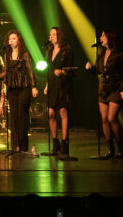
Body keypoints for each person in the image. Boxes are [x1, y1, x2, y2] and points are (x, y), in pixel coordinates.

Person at [0, 30, 38, 152]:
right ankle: (15, 145)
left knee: (22, 115)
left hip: (24, 87)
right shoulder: (7, 54)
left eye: (14, 38)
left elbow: (30, 71)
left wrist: (33, 86)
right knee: (14, 116)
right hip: (12, 88)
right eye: (9, 39)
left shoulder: (25, 54)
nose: (11, 41)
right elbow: (6, 70)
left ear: (19, 40)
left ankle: (23, 145)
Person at [86, 29, 123, 159]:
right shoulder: (101, 54)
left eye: (103, 36)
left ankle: (120, 148)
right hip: (103, 87)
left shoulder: (120, 55)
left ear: (110, 38)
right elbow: (98, 71)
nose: (100, 38)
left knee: (111, 118)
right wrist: (90, 68)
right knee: (104, 119)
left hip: (115, 87)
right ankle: (110, 149)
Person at [43, 26, 74, 157]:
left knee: (62, 112)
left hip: (63, 85)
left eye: (54, 34)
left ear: (59, 36)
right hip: (52, 85)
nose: (51, 37)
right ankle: (55, 142)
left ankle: (64, 143)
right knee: (50, 113)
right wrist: (46, 85)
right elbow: (49, 70)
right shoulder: (49, 50)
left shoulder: (66, 50)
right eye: (50, 34)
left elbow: (71, 69)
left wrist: (62, 72)